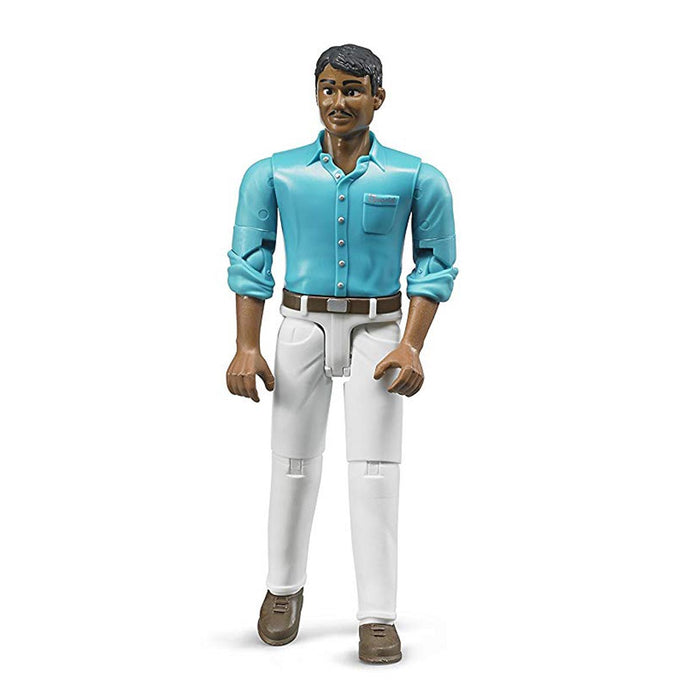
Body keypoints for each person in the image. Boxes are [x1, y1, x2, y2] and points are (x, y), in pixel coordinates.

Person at [226, 44, 457, 664]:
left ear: (378, 96)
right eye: (328, 88)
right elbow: (250, 259)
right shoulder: (273, 174)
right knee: (291, 462)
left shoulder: (416, 177)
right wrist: (246, 344)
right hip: (300, 324)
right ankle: (282, 588)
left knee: (376, 469)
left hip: (378, 329)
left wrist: (412, 343)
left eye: (352, 89)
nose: (338, 101)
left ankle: (377, 614)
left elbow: (435, 263)